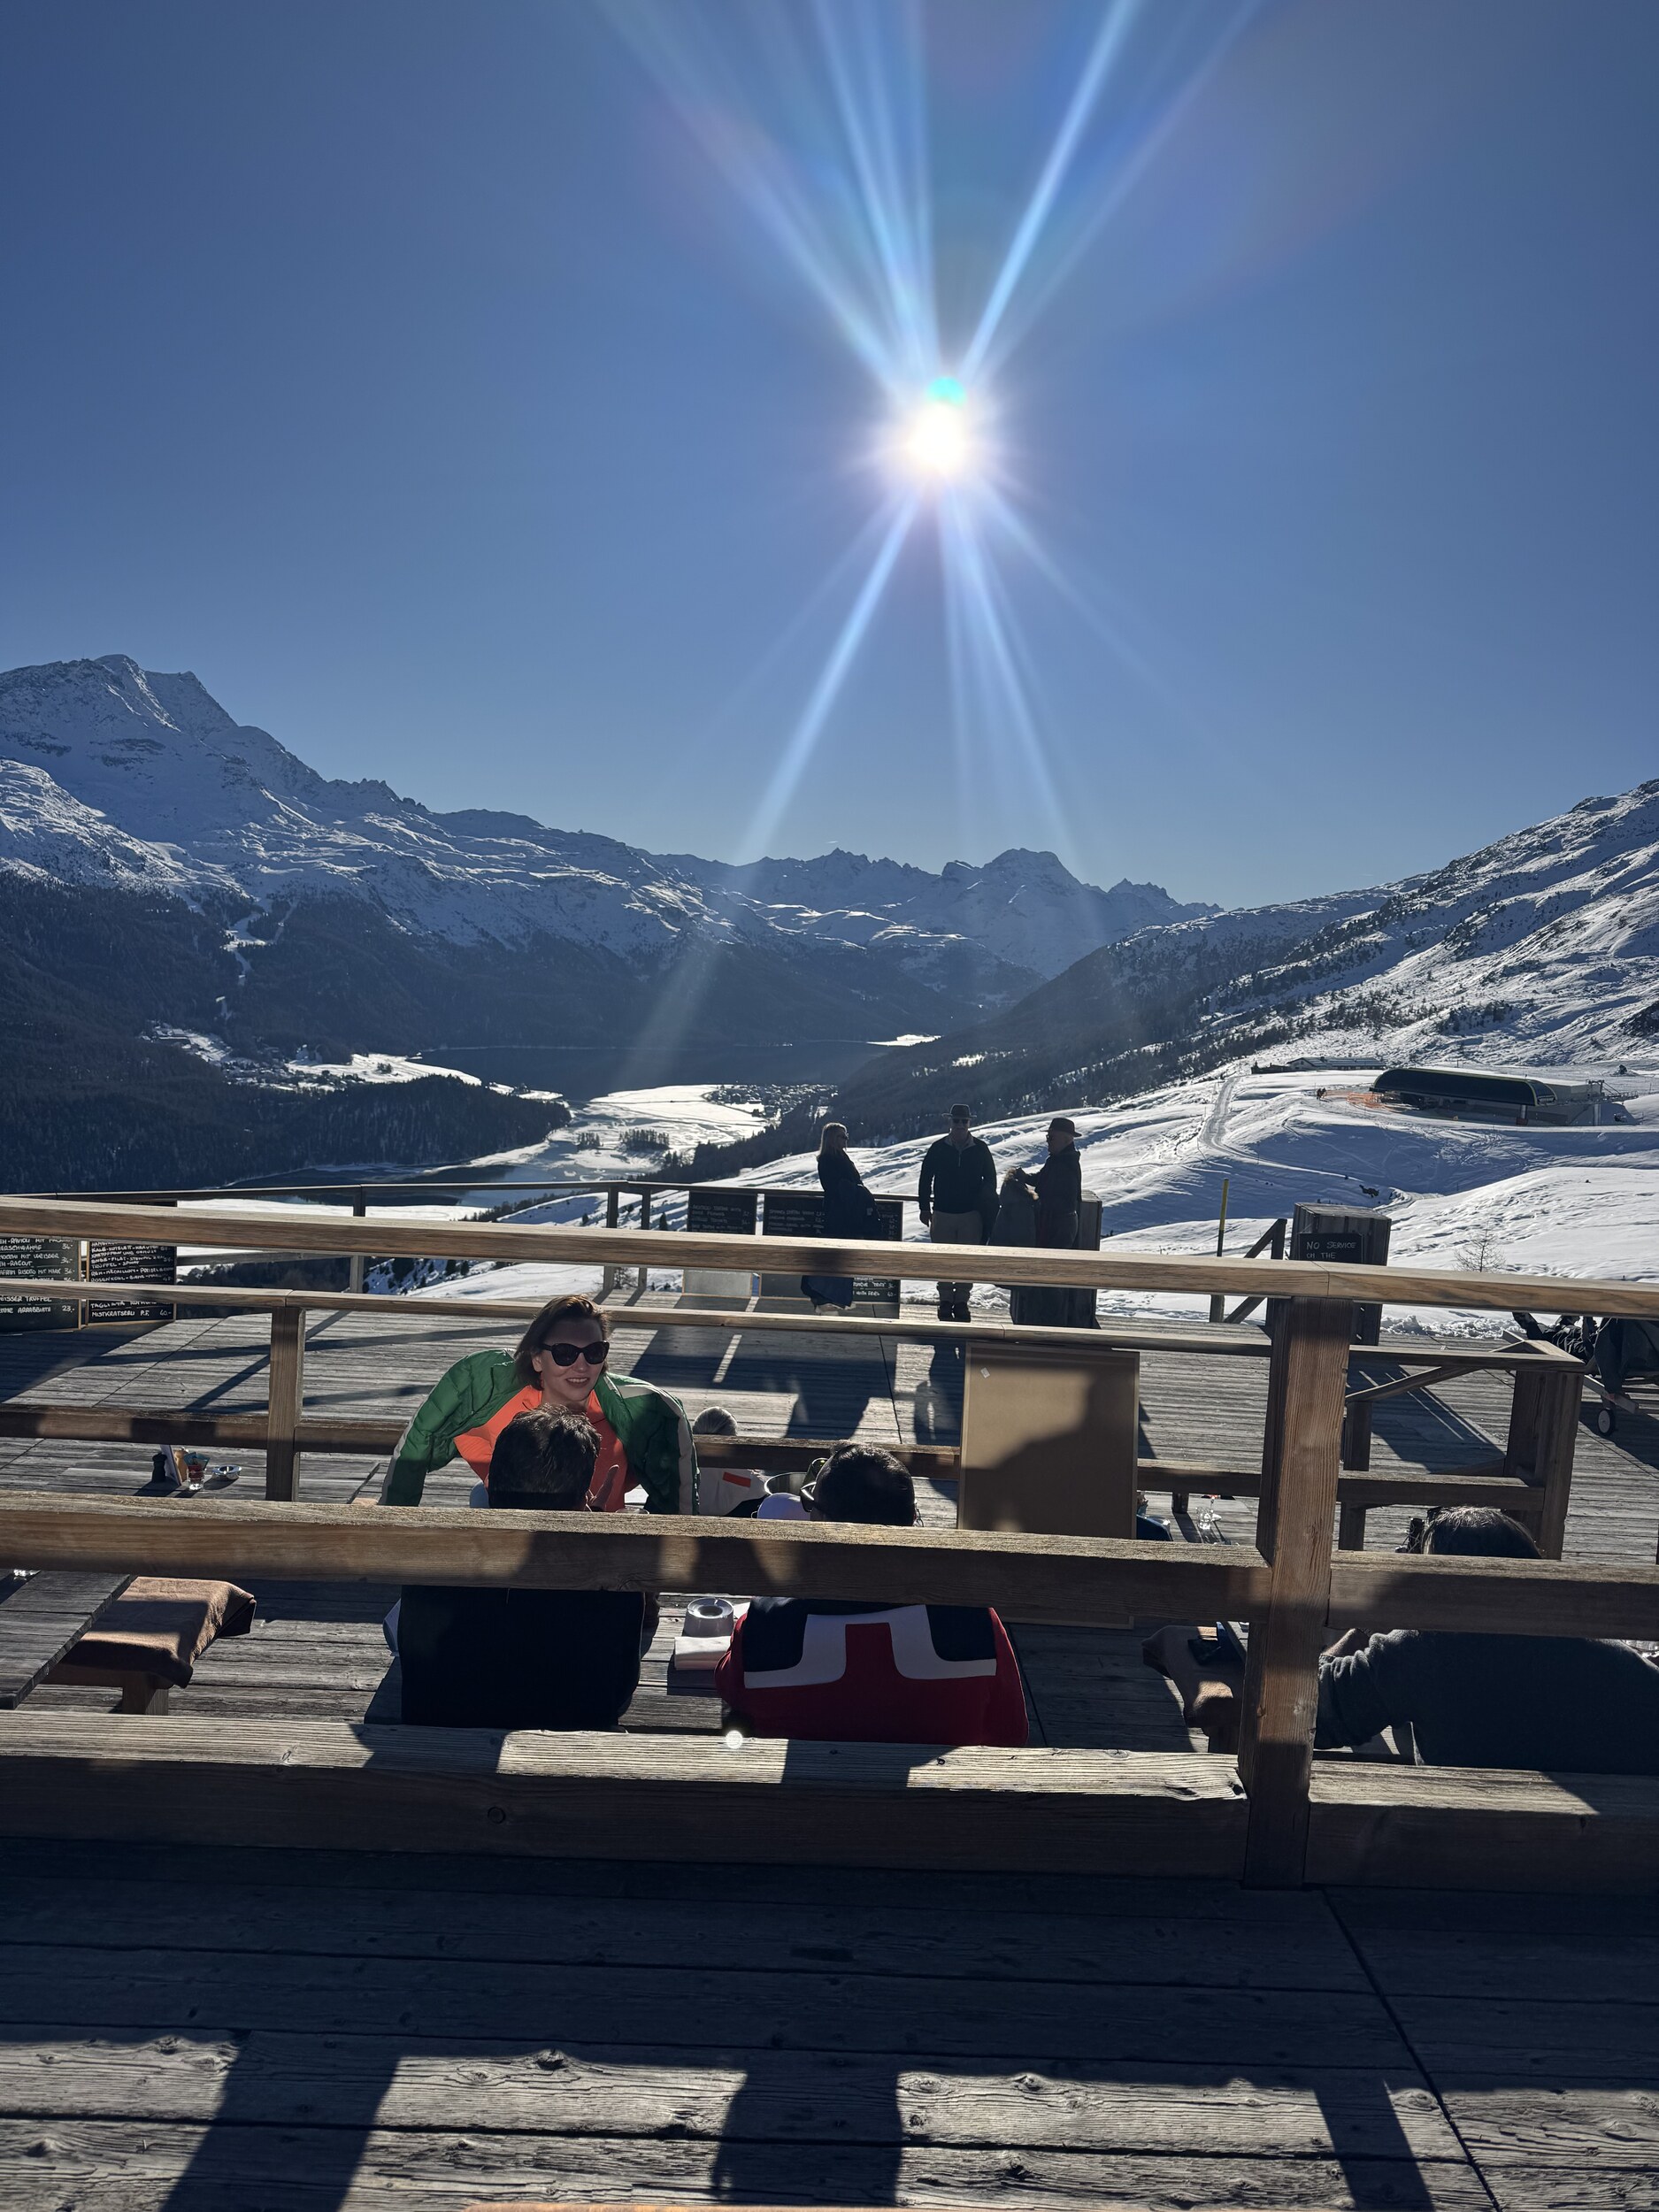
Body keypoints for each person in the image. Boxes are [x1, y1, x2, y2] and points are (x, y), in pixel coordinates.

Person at [714, 1442, 1029, 1747]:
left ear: (820, 1522)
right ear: (912, 1520)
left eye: (810, 1505)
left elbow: (731, 1688)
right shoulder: (974, 1617)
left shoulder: (766, 1621)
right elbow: (1011, 1731)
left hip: (807, 1782)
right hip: (941, 1782)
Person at [1316, 1507, 1659, 1771]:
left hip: (1459, 1837)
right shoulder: (1613, 1660)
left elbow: (1313, 1712)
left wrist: (1366, 1625)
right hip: (1599, 1840)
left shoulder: (1421, 1653)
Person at [398, 1409, 645, 1729]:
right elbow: (619, 1691)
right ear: (581, 1499)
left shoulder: (430, 1561)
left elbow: (416, 1670)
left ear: (490, 1485)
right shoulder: (618, 1574)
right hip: (567, 1747)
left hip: (437, 1742)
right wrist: (595, 1542)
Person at [378, 1292, 697, 1512]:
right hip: (508, 1537)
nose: (581, 1366)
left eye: (594, 1352)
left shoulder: (636, 1412)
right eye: (565, 1353)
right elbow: (418, 1445)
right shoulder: (491, 1397)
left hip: (598, 1552)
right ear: (536, 1358)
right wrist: (393, 1523)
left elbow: (677, 1502)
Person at [918, 1105, 998, 1324]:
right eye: (957, 1121)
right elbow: (925, 1178)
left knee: (967, 1261)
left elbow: (991, 1180)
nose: (961, 1125)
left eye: (964, 1121)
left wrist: (985, 1208)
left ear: (969, 1123)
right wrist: (924, 1207)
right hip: (942, 1213)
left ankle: (961, 1301)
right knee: (942, 1260)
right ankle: (945, 1300)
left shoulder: (981, 1149)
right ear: (950, 1122)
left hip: (972, 1215)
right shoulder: (938, 1148)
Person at [801, 1122, 880, 1312]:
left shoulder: (839, 1157)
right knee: (838, 1255)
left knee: (841, 1255)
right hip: (840, 1215)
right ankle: (826, 1294)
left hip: (846, 1214)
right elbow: (837, 1186)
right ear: (831, 1139)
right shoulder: (828, 1159)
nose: (846, 1140)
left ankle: (831, 1296)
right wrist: (861, 1192)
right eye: (841, 1136)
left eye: (846, 1136)